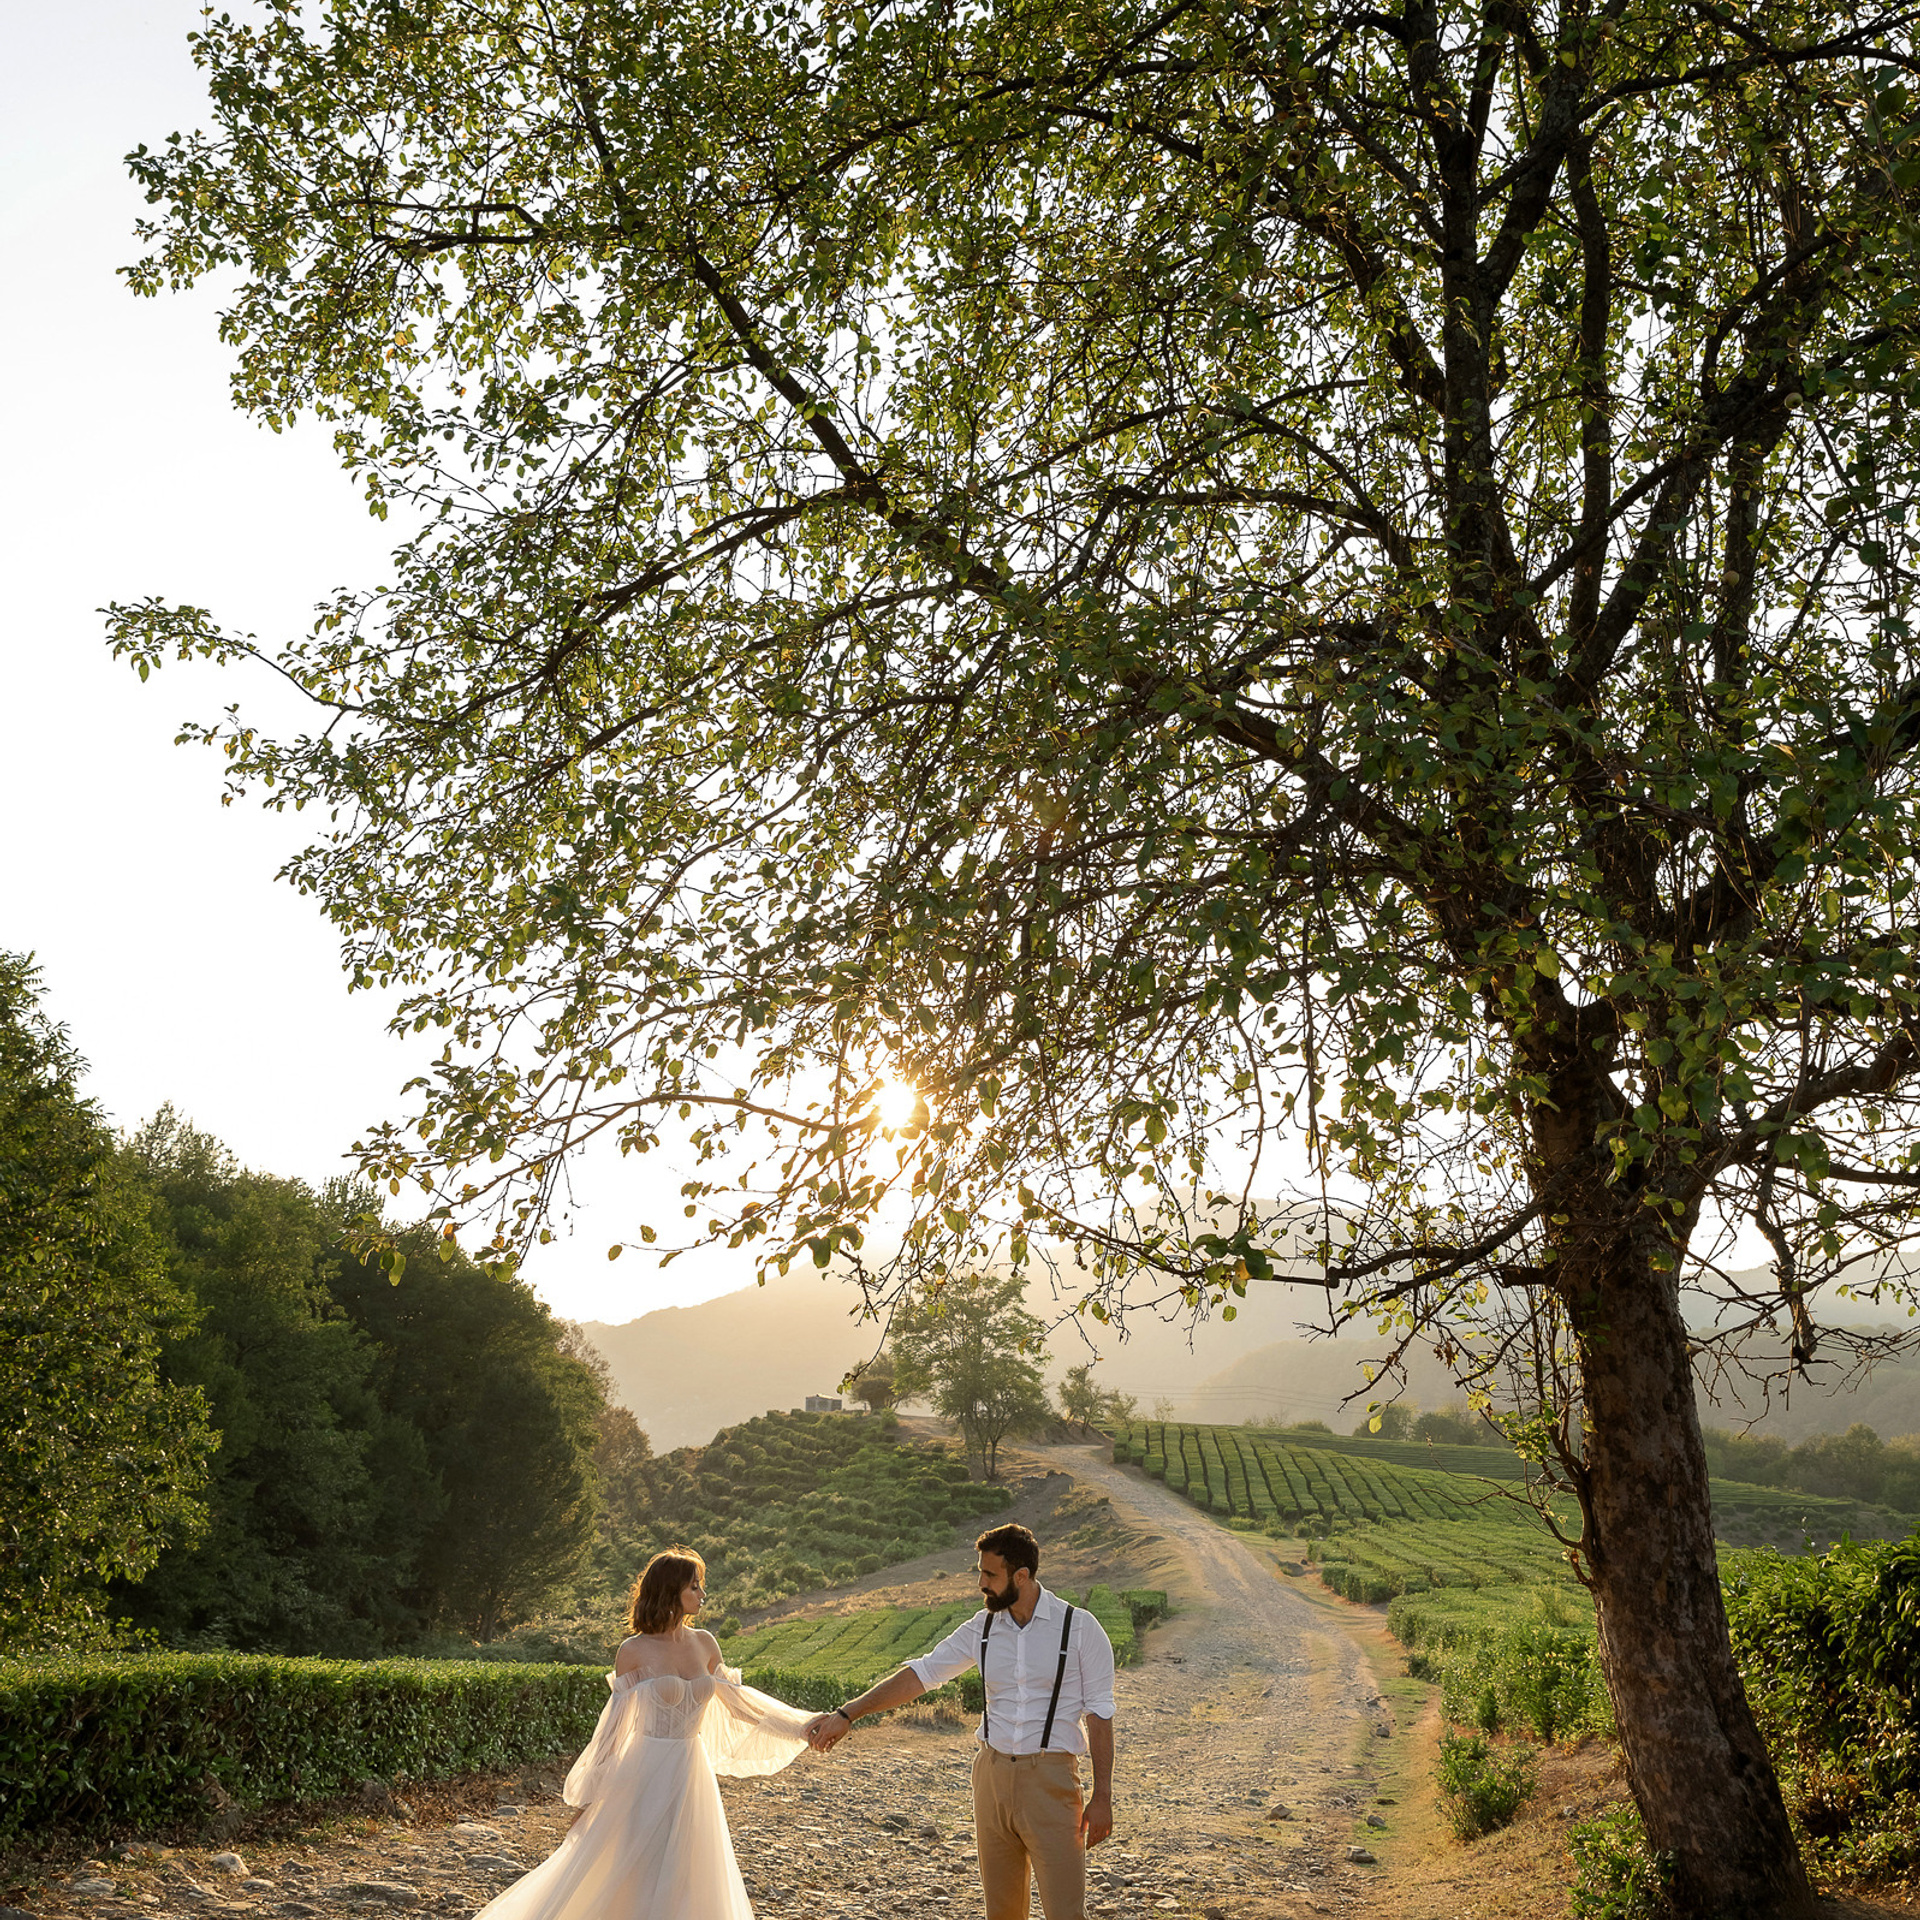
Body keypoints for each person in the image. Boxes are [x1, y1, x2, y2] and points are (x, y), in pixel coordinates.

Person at [473, 1548, 814, 1920]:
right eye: (694, 1586)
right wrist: (590, 1798)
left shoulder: (705, 1643)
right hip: (643, 1770)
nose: (702, 1595)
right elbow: (613, 1730)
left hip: (690, 1769)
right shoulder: (633, 1651)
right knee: (634, 1866)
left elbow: (741, 1705)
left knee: (690, 1865)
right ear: (671, 1591)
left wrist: (803, 1726)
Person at [805, 1522, 1116, 1920]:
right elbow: (921, 1674)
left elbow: (1100, 1714)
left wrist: (1102, 1795)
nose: (981, 1584)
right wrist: (849, 1713)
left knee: (1066, 1913)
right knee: (1001, 1913)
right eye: (980, 1572)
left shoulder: (1080, 1629)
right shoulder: (982, 1628)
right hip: (991, 1776)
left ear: (1021, 1576)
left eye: (990, 1575)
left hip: (1052, 1782)